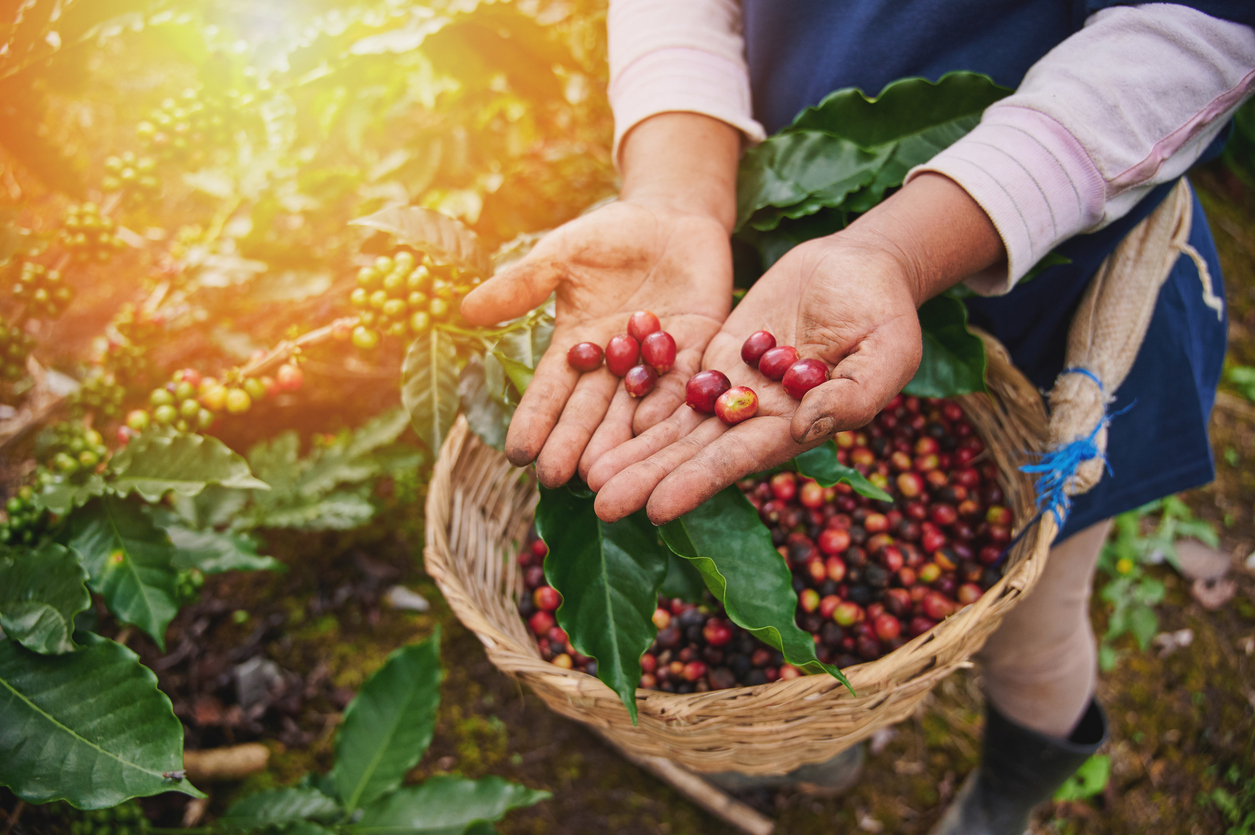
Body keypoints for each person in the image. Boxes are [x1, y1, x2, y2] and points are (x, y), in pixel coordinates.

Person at [462, 2, 1255, 832]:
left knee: (1034, 630)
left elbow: (1195, 34)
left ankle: (1007, 797)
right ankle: (822, 730)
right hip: (780, 269)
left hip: (1054, 291)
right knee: (793, 549)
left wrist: (903, 248)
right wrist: (677, 190)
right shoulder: (745, 342)